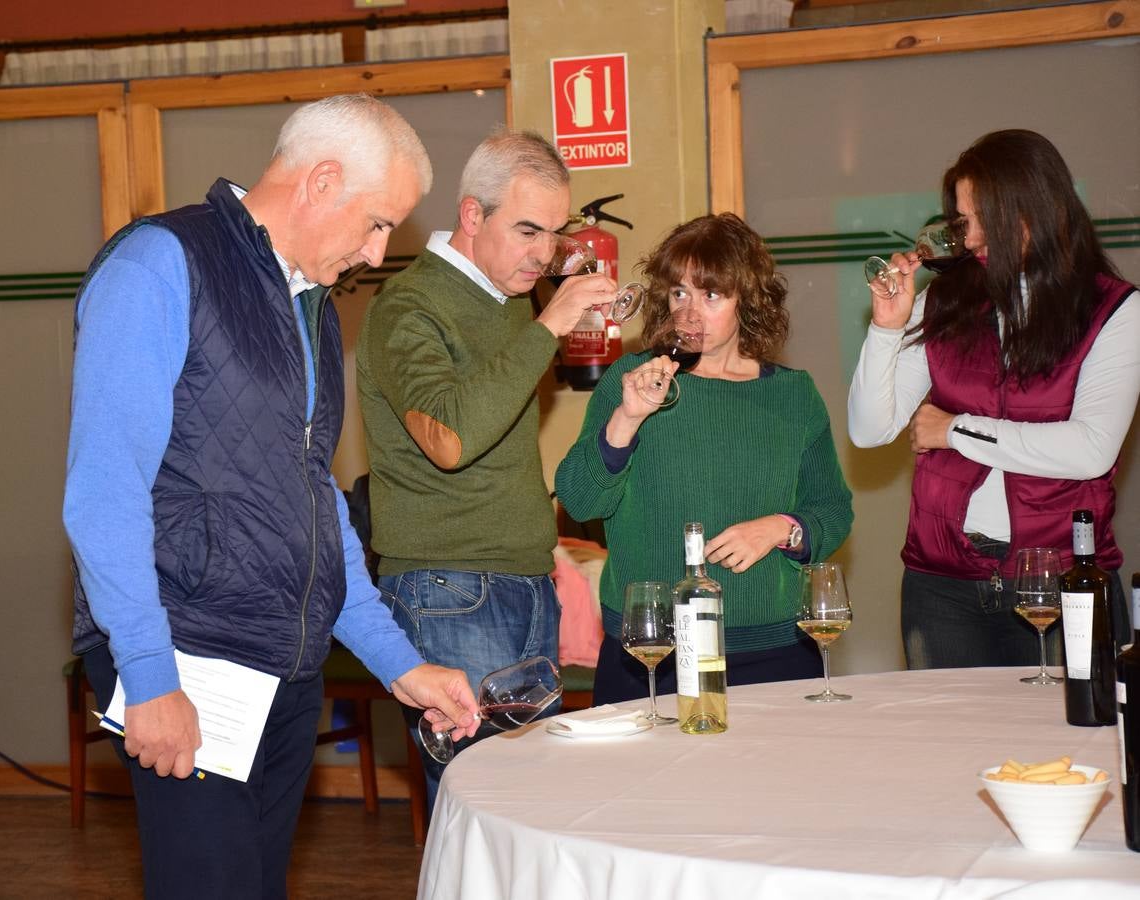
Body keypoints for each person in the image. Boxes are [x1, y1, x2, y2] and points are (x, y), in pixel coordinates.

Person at [62, 93, 480, 900]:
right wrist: (149, 676)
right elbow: (103, 490)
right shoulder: (160, 262)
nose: (377, 249)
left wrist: (400, 665)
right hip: (184, 655)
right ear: (322, 181)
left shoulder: (312, 307)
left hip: (281, 669)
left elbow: (311, 500)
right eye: (378, 222)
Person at [355, 130, 614, 808]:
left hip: (525, 580)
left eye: (555, 234)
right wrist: (550, 326)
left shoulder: (510, 298)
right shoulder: (409, 307)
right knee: (487, 801)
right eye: (527, 230)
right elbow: (450, 439)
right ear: (473, 216)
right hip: (450, 587)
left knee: (527, 807)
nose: (544, 254)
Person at [848, 128, 1139, 670]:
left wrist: (953, 429)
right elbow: (870, 431)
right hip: (942, 584)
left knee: (1076, 743)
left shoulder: (1113, 310)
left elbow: (1092, 449)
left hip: (1062, 579)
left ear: (1034, 210)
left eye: (982, 217)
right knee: (946, 749)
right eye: (962, 219)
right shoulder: (944, 299)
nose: (971, 237)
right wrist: (887, 329)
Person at [554, 213, 854, 704]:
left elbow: (833, 510)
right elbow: (580, 499)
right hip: (651, 650)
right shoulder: (632, 379)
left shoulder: (793, 395)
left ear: (748, 301)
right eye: (679, 294)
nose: (689, 314)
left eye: (711, 295)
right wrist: (626, 420)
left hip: (772, 649)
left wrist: (781, 527)